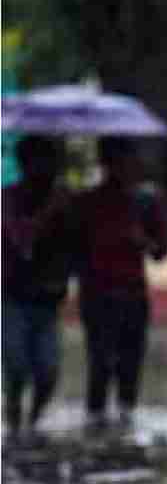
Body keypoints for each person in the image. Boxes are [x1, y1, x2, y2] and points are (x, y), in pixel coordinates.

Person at [75, 137, 167, 430]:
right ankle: (96, 420)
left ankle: (125, 419)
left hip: (133, 294)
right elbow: (73, 249)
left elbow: (160, 251)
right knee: (99, 362)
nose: (128, 168)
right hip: (97, 295)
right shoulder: (86, 203)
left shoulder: (145, 202)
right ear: (107, 164)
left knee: (130, 363)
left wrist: (143, 241)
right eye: (120, 161)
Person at [2, 136, 75, 443]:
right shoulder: (8, 198)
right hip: (13, 298)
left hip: (48, 300)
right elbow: (21, 241)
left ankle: (32, 422)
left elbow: (76, 245)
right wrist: (49, 211)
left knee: (48, 372)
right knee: (17, 366)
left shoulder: (64, 200)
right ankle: (15, 416)